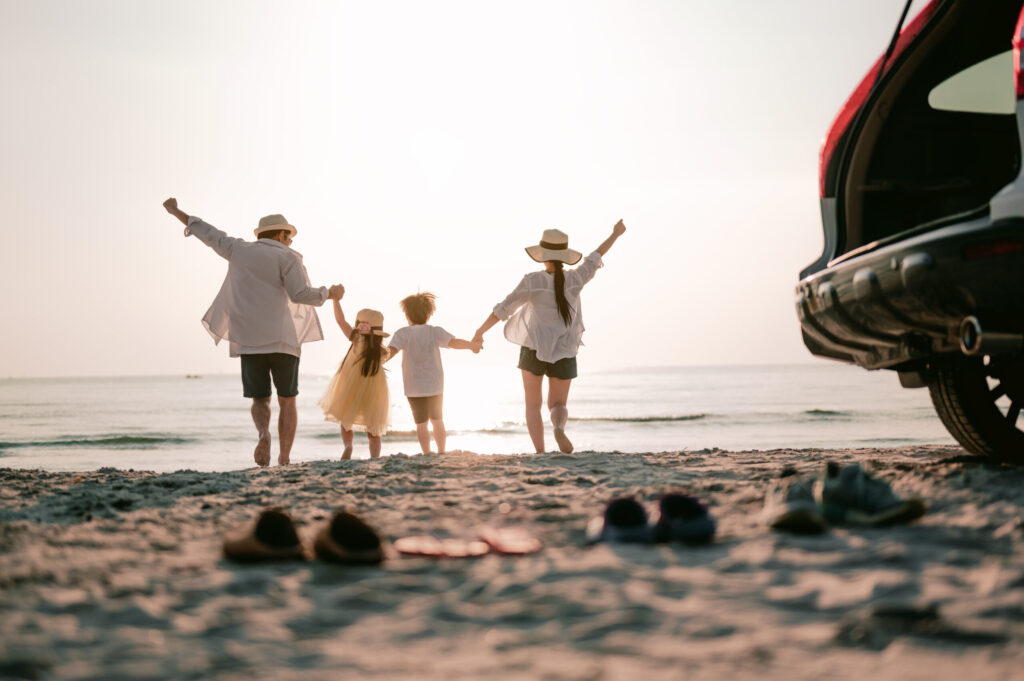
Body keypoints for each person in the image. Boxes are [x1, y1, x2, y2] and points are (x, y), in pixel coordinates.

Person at [162, 198, 343, 467]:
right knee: (288, 400)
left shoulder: (237, 249)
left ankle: (263, 433)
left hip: (249, 340)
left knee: (260, 398)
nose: (291, 242)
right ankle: (283, 458)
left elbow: (208, 233)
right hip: (283, 340)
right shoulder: (287, 257)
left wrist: (177, 212)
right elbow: (300, 294)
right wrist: (329, 293)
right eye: (289, 237)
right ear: (281, 235)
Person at [472, 220, 627, 453]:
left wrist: (479, 332)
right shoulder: (576, 278)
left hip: (533, 347)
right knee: (558, 404)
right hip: (565, 349)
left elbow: (503, 309)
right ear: (564, 256)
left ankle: (540, 452)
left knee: (533, 406)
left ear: (543, 255)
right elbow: (595, 256)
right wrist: (615, 234)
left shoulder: (533, 281)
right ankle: (558, 428)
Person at [386, 292, 482, 455]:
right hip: (435, 385)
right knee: (438, 420)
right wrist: (472, 345)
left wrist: (375, 361)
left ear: (407, 314)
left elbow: (390, 352)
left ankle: (426, 452)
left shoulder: (402, 333)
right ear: (429, 314)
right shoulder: (434, 331)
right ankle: (441, 451)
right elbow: (454, 343)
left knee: (421, 423)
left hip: (413, 387)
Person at [318, 303, 391, 459]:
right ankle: (375, 457)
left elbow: (340, 320)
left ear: (359, 326)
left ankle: (348, 446)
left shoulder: (356, 339)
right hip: (374, 390)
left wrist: (336, 301)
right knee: (374, 428)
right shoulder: (382, 350)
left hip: (352, 386)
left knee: (346, 420)